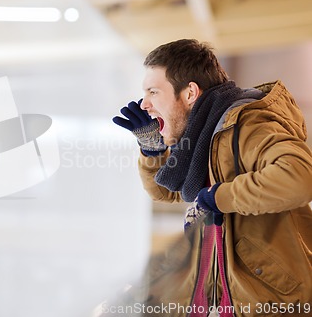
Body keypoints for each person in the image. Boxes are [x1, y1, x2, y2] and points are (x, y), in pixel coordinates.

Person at [112, 39, 312, 316]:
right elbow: (165, 191)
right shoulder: (205, 134)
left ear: (190, 93)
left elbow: (298, 178)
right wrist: (152, 148)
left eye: (154, 91)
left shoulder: (250, 125)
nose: (145, 103)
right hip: (238, 300)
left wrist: (218, 197)